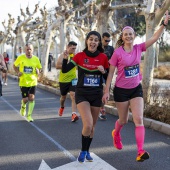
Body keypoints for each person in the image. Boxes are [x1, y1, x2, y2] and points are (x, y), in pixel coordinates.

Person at [102, 12, 170, 162]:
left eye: (131, 34)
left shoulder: (139, 48)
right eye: (126, 34)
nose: (128, 36)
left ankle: (140, 151)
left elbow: (154, 38)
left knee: (139, 119)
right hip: (121, 91)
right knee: (124, 120)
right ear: (122, 37)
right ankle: (116, 134)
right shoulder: (117, 53)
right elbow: (111, 72)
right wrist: (106, 91)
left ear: (134, 36)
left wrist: (164, 24)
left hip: (135, 89)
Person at [62, 31, 109, 162]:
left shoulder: (103, 57)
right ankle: (83, 151)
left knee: (92, 127)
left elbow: (107, 77)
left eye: (96, 40)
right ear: (87, 41)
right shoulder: (79, 56)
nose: (93, 42)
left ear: (98, 43)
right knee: (87, 125)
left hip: (96, 95)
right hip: (82, 94)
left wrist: (103, 71)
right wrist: (66, 58)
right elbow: (65, 70)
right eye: (91, 39)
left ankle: (87, 151)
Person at [13, 43, 42, 122]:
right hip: (23, 82)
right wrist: (18, 72)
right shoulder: (20, 58)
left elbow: (39, 68)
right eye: (27, 49)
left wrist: (38, 71)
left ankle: (29, 116)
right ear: (25, 50)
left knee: (31, 98)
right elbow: (14, 65)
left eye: (30, 49)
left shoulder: (36, 59)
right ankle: (23, 106)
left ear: (32, 50)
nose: (29, 51)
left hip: (33, 81)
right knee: (25, 100)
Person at [56, 41, 79, 122]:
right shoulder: (62, 55)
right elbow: (57, 66)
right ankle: (62, 106)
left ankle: (73, 114)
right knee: (63, 97)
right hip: (63, 80)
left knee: (73, 95)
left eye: (75, 49)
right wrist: (67, 65)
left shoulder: (75, 56)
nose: (73, 50)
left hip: (73, 79)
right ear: (67, 47)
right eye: (72, 48)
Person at [99, 32, 114, 120]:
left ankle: (101, 107)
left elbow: (114, 60)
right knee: (102, 89)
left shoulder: (111, 49)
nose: (107, 42)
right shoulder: (97, 47)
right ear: (102, 39)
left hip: (107, 73)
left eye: (109, 40)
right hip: (98, 72)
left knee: (106, 90)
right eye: (106, 40)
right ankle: (101, 109)